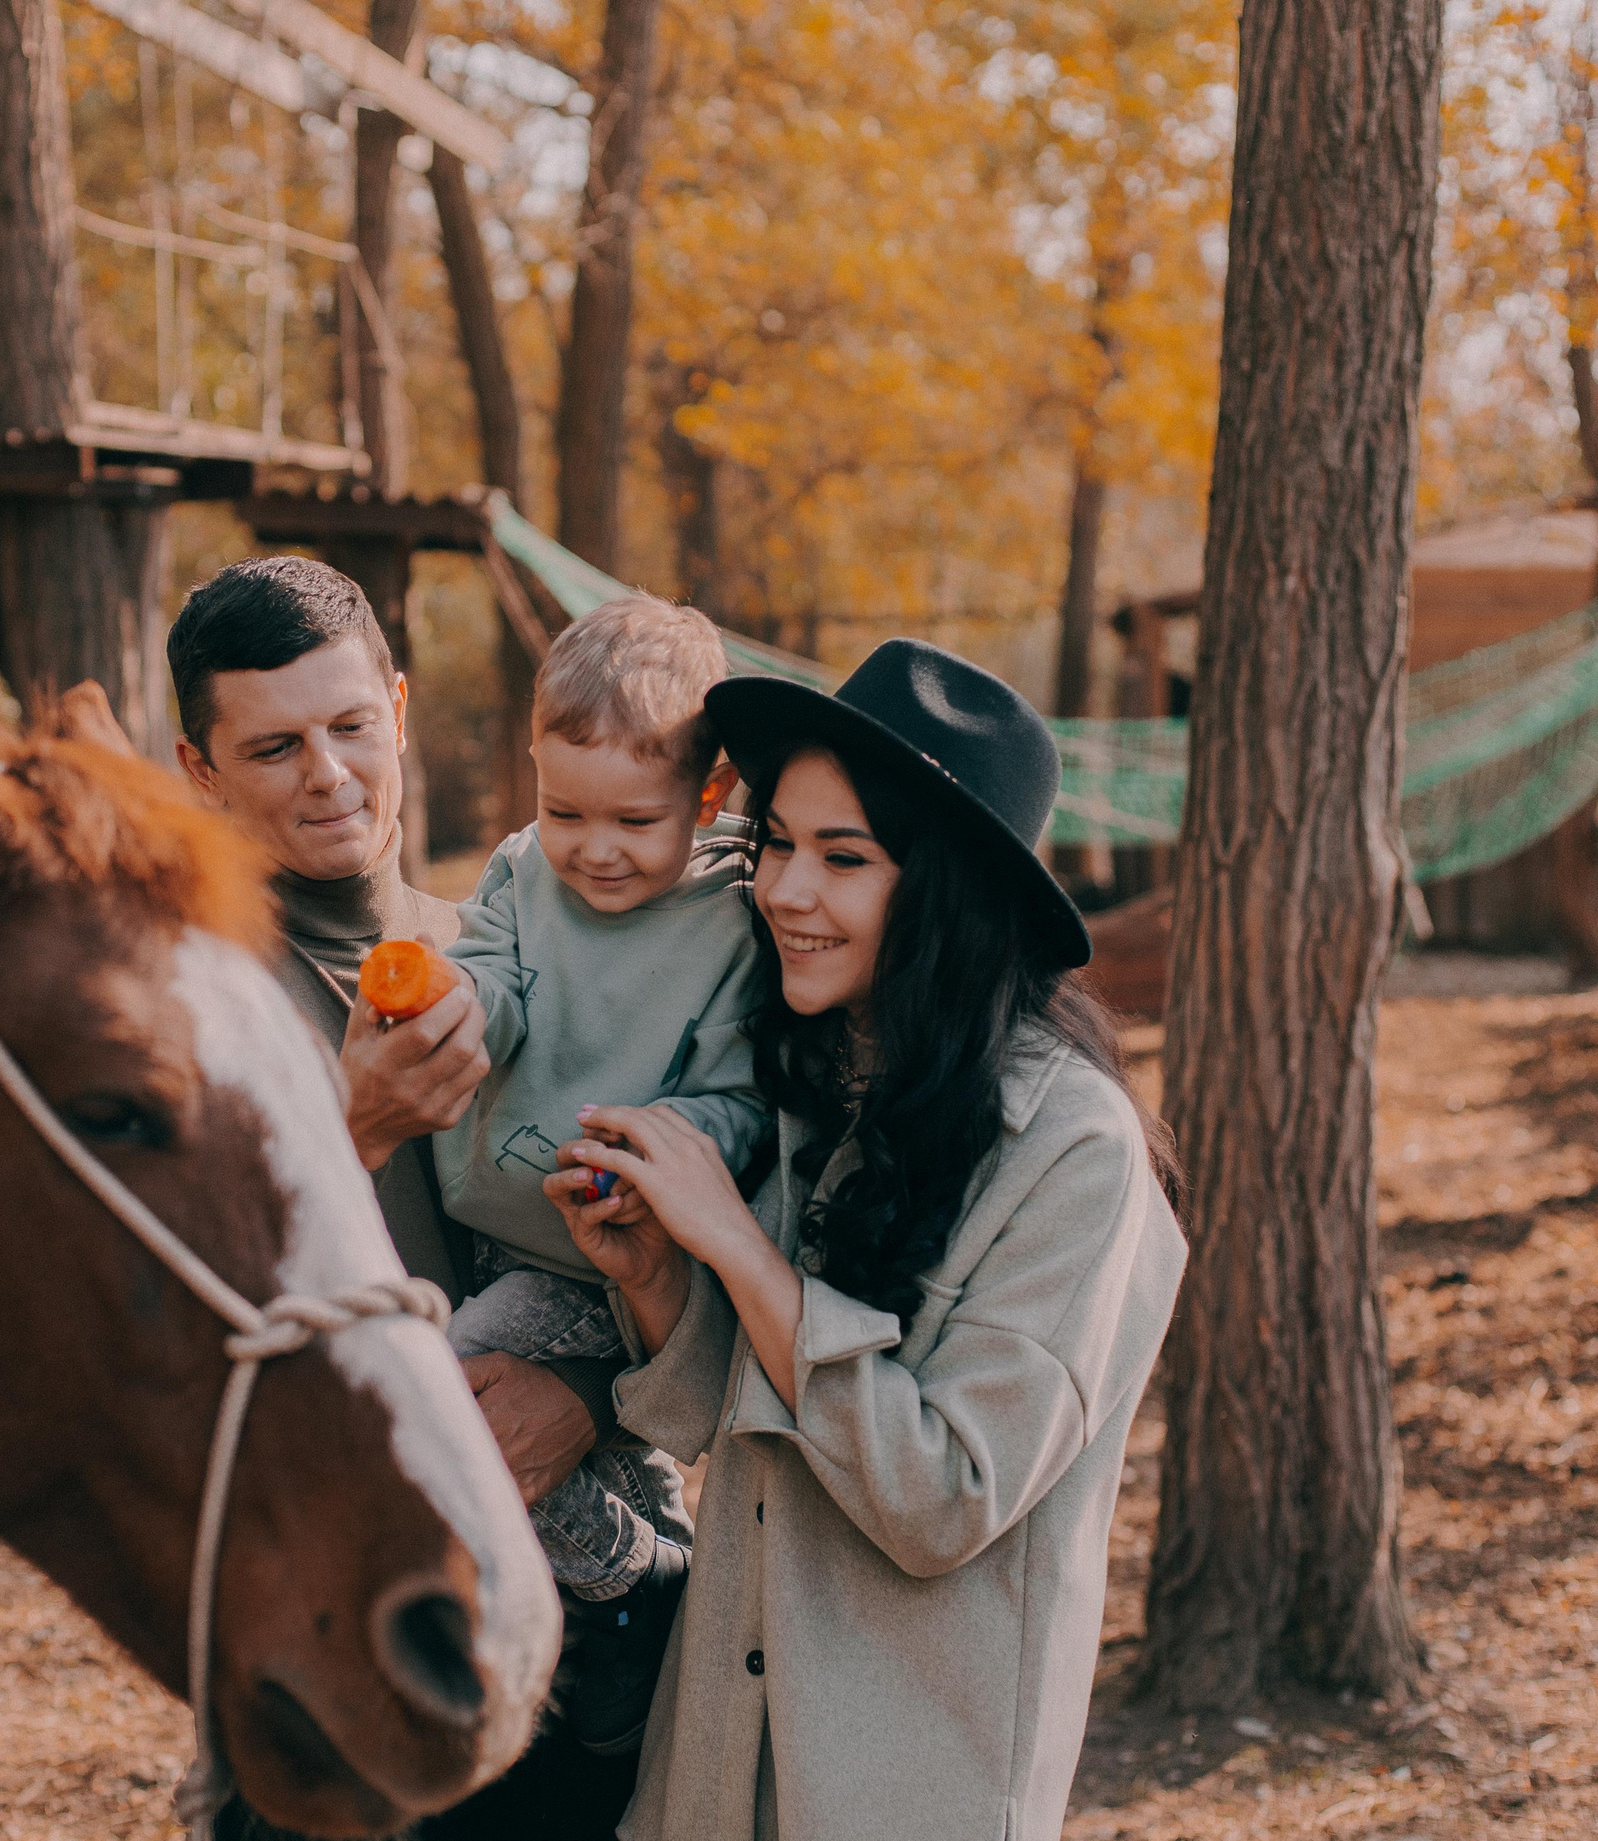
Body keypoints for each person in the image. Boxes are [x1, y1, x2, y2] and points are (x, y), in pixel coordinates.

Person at [542, 639, 1187, 1841]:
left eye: (844, 858)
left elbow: (941, 1496)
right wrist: (656, 1275)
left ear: (945, 891)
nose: (787, 890)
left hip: (903, 1791)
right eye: (778, 842)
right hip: (711, 1774)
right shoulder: (818, 1076)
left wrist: (736, 1245)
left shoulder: (1076, 1153)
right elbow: (718, 1422)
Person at [169, 556, 640, 1839]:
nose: (326, 774)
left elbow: (655, 1261)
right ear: (198, 768)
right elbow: (155, 1349)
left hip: (578, 1639)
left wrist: (583, 1397)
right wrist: (353, 1126)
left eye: (348, 726)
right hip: (326, 1661)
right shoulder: (170, 1005)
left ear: (396, 703)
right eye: (272, 747)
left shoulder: (514, 951)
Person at [435, 598, 768, 1754]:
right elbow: (492, 972)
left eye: (634, 818)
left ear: (709, 796)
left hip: (597, 1255)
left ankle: (630, 1570)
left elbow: (741, 1098)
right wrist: (457, 1007)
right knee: (564, 1440)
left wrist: (663, 1142)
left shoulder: (730, 921)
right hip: (490, 1222)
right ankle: (624, 1556)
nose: (594, 846)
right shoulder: (524, 872)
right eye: (562, 808)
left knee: (438, 1400)